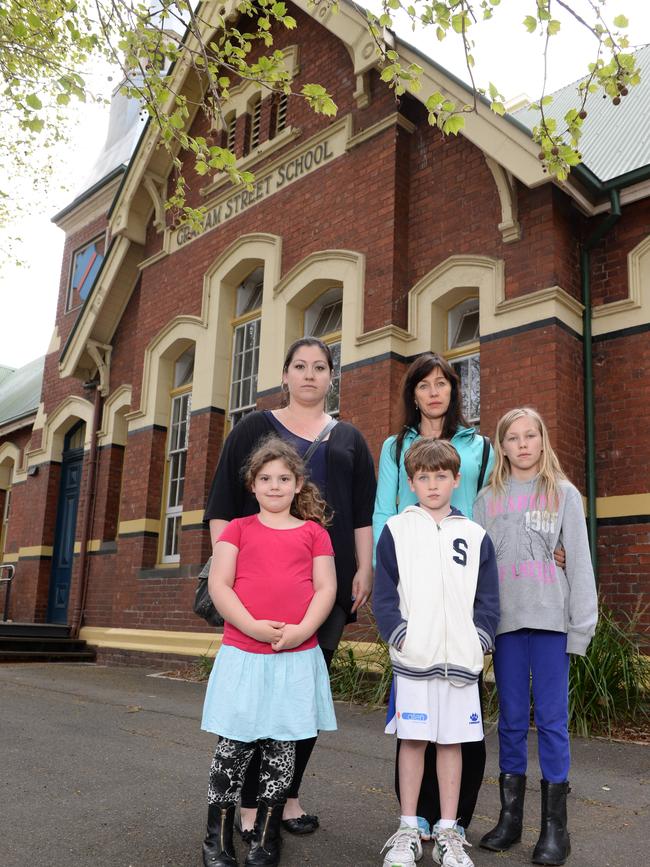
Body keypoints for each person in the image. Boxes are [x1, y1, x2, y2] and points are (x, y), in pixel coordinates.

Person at [203, 337, 376, 837]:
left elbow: (362, 512)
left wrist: (362, 568)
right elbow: (221, 503)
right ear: (285, 375)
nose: (309, 375)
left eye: (320, 367)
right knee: (257, 700)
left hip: (326, 586)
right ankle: (251, 807)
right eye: (299, 365)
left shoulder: (348, 439)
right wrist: (226, 570)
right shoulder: (255, 428)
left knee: (301, 699)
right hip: (259, 589)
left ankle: (287, 797)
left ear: (330, 377)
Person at [372, 352, 495, 838]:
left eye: (443, 382)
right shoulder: (393, 447)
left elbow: (495, 505)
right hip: (414, 600)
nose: (434, 391)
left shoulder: (477, 446)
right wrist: (381, 587)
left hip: (462, 600)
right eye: (424, 384)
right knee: (415, 721)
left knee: (464, 724)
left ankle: (454, 820)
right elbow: (383, 512)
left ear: (454, 391)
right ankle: (415, 818)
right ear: (413, 393)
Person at [200, 436, 337, 867]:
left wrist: (303, 630)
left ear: (298, 484)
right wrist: (252, 626)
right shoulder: (238, 529)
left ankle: (265, 836)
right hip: (244, 653)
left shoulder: (314, 533)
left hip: (295, 655)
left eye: (283, 478)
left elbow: (326, 587)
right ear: (252, 485)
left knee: (282, 747)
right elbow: (219, 585)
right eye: (265, 478)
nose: (274, 485)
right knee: (235, 745)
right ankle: (217, 839)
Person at [473, 408, 598, 866]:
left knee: (550, 719)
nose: (523, 444)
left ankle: (554, 829)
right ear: (502, 446)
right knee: (508, 719)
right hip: (506, 623)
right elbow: (478, 570)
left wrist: (581, 626)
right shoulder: (487, 499)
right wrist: (477, 626)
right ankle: (510, 819)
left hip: (550, 620)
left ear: (543, 442)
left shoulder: (563, 494)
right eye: (513, 437)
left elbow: (580, 561)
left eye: (531, 436)